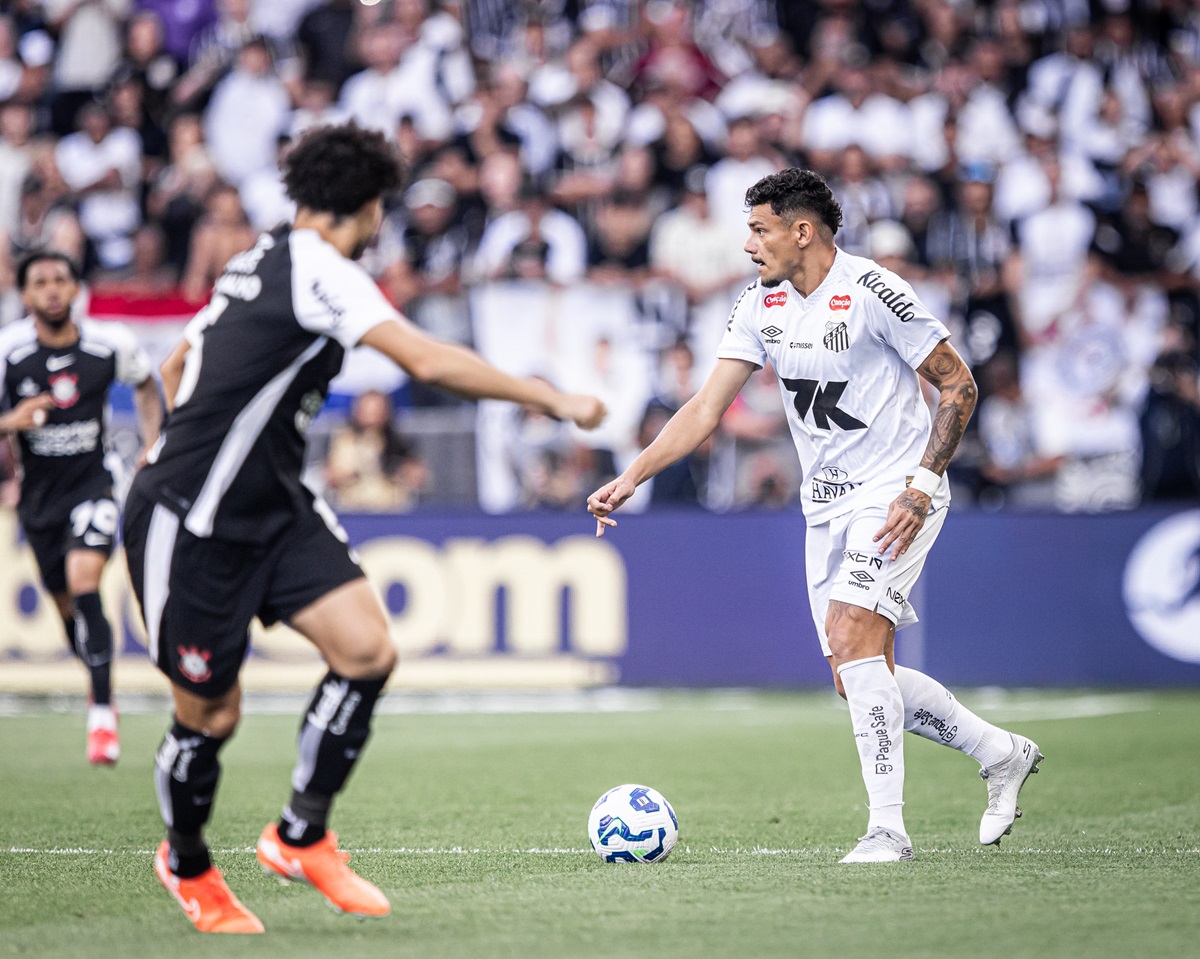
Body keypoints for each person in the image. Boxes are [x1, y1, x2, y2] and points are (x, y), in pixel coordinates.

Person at [121, 122, 606, 934]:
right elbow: (425, 360)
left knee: (367, 651)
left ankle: (300, 834)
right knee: (211, 714)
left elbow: (178, 363)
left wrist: (166, 438)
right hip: (191, 519)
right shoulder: (319, 268)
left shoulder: (264, 256)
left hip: (274, 503)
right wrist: (550, 398)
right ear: (370, 205)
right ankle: (189, 863)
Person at [587, 168, 1043, 863]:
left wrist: (921, 485)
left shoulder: (873, 292)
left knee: (852, 637)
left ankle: (888, 829)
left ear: (802, 231)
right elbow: (705, 410)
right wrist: (631, 475)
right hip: (825, 504)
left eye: (759, 229)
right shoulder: (759, 305)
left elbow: (959, 382)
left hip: (894, 493)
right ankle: (999, 752)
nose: (747, 245)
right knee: (857, 674)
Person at [0, 249, 161, 765]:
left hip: (94, 484)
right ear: (24, 296)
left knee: (85, 579)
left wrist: (153, 449)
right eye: (40, 282)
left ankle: (102, 718)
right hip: (38, 500)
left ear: (75, 290)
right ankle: (95, 677)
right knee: (65, 604)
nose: (51, 289)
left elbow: (146, 385)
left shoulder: (109, 344)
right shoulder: (8, 352)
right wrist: (11, 421)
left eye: (60, 280)